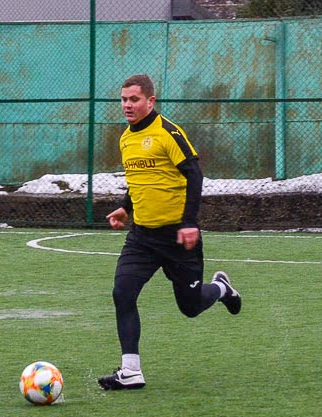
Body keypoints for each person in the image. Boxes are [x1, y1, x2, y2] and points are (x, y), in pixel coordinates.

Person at [98, 74, 241, 390]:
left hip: (178, 237)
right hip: (142, 237)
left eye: (133, 99)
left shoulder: (168, 133)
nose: (127, 105)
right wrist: (126, 207)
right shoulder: (125, 138)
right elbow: (141, 180)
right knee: (122, 292)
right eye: (123, 100)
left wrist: (189, 222)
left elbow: (195, 175)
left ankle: (220, 288)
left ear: (150, 101)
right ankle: (131, 370)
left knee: (189, 307)